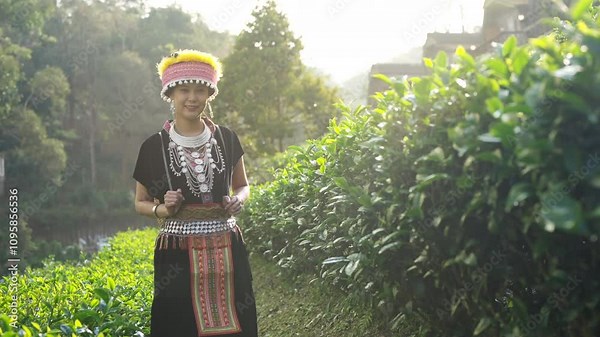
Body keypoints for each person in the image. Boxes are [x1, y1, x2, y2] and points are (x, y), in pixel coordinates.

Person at [132, 49, 258, 337]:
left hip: (228, 243)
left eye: (200, 91)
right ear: (170, 94)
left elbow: (243, 184)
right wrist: (162, 209)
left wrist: (237, 199)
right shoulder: (153, 147)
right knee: (179, 323)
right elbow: (140, 202)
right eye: (184, 90)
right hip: (176, 251)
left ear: (210, 94)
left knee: (237, 316)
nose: (192, 98)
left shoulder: (227, 138)